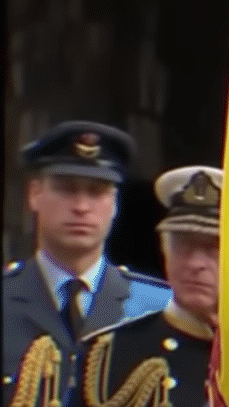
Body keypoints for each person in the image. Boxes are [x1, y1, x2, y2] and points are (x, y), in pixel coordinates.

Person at [4, 122, 173, 406]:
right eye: (66, 189)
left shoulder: (156, 307)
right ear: (34, 194)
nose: (81, 207)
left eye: (96, 192)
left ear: (115, 203)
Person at [72, 166, 224, 407]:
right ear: (165, 250)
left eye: (212, 248)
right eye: (184, 246)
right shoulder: (107, 357)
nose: (196, 264)